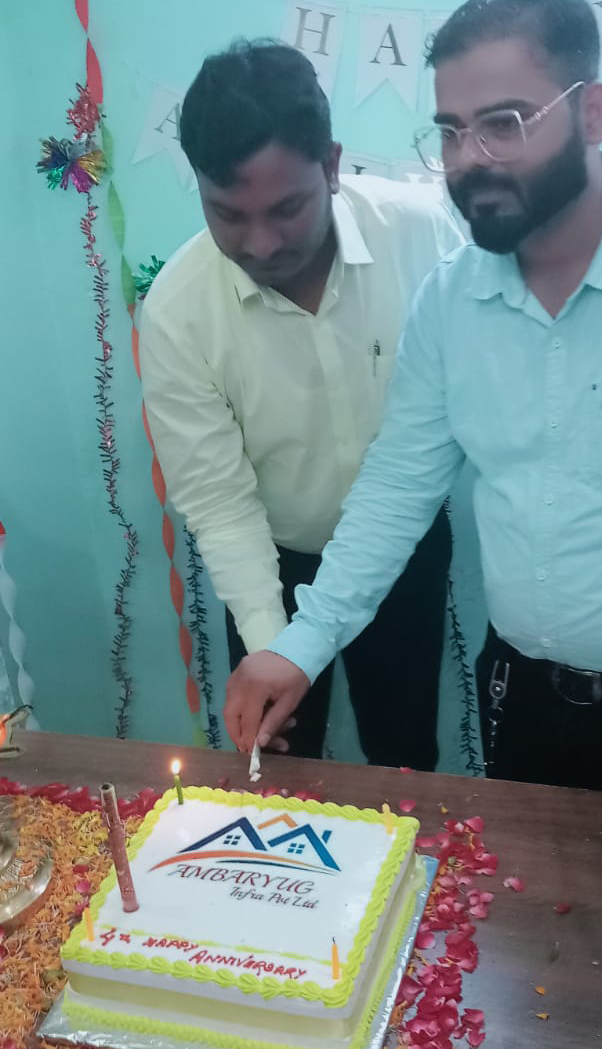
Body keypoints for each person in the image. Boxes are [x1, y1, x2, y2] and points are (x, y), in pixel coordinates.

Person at [224, 0, 602, 1049]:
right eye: (448, 129)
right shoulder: (455, 297)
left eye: (503, 121)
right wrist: (297, 645)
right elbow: (400, 484)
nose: (468, 160)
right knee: (540, 938)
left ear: (589, 111)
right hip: (526, 696)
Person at [140, 39, 464, 768]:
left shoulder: (423, 237)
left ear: (331, 165)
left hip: (405, 549)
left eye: (286, 208)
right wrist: (272, 643)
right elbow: (219, 502)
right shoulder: (178, 310)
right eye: (227, 213)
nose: (259, 244)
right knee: (275, 760)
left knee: (403, 751)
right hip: (270, 561)